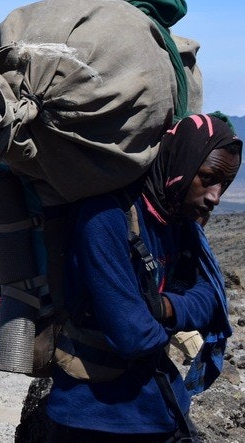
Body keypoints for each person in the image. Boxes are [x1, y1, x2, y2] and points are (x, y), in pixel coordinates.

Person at [47, 113, 241, 442]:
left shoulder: (180, 220)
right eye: (208, 177)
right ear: (181, 163)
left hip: (161, 406)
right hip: (94, 419)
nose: (215, 197)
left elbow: (212, 302)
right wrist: (176, 314)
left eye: (224, 184)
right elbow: (132, 335)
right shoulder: (105, 218)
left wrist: (161, 307)